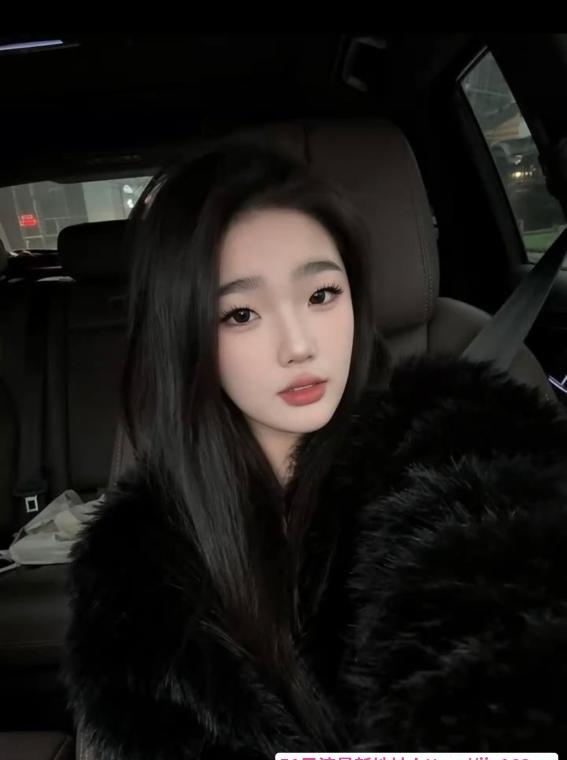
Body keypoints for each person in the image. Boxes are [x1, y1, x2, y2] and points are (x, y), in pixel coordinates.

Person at [63, 140, 567, 757]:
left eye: (322, 294)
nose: (299, 344)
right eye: (240, 314)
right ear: (185, 335)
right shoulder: (135, 573)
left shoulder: (462, 450)